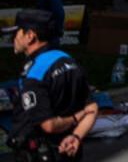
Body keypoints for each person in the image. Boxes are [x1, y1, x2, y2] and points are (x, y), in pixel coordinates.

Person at [7, 9, 97, 161]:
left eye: (16, 33)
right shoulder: (68, 60)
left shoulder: (34, 74)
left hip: (41, 153)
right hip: (70, 150)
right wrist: (76, 136)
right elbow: (92, 108)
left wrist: (75, 118)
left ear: (30, 36)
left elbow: (49, 125)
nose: (13, 39)